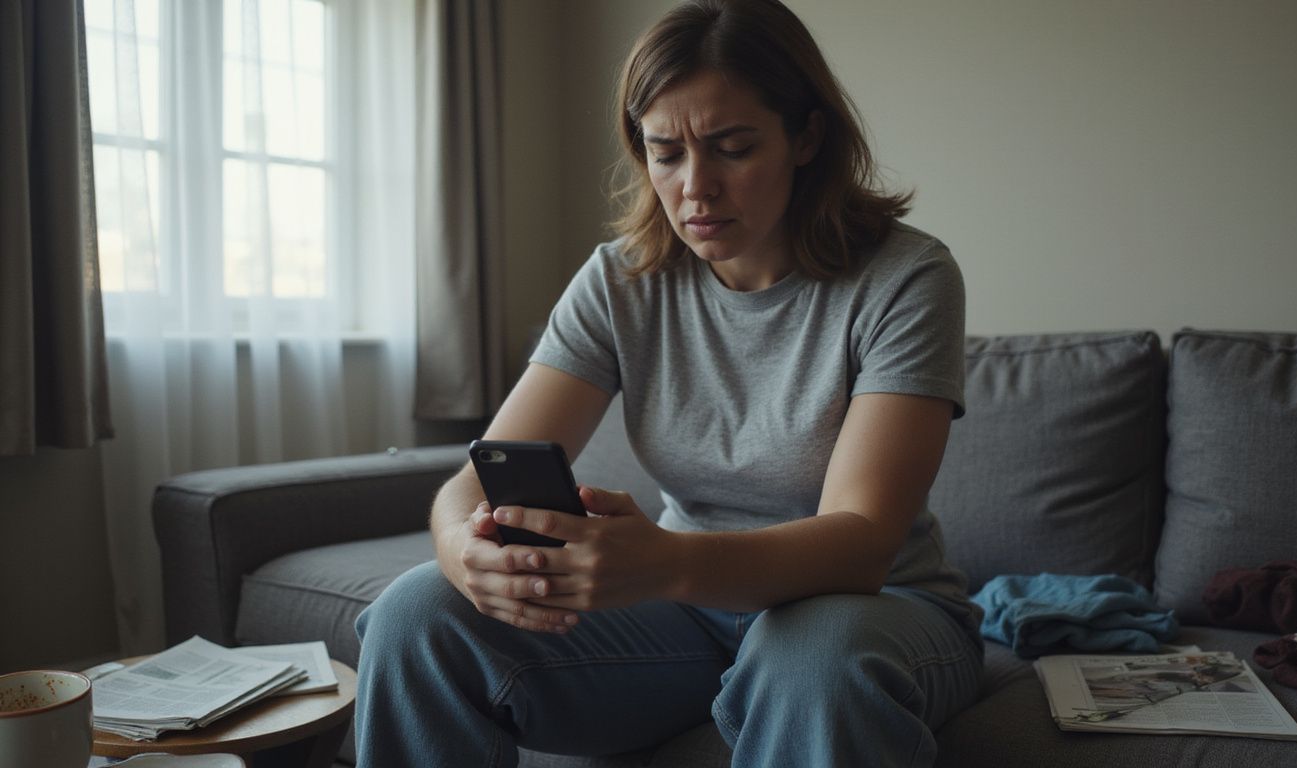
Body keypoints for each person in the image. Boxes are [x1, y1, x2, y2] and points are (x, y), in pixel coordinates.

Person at [355, 1, 984, 765]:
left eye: (732, 148)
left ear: (807, 138)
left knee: (813, 660)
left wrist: (663, 561)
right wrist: (464, 554)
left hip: (869, 608)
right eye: (666, 153)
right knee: (415, 611)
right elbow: (474, 481)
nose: (695, 188)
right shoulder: (621, 281)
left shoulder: (905, 277)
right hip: (684, 614)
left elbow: (862, 543)